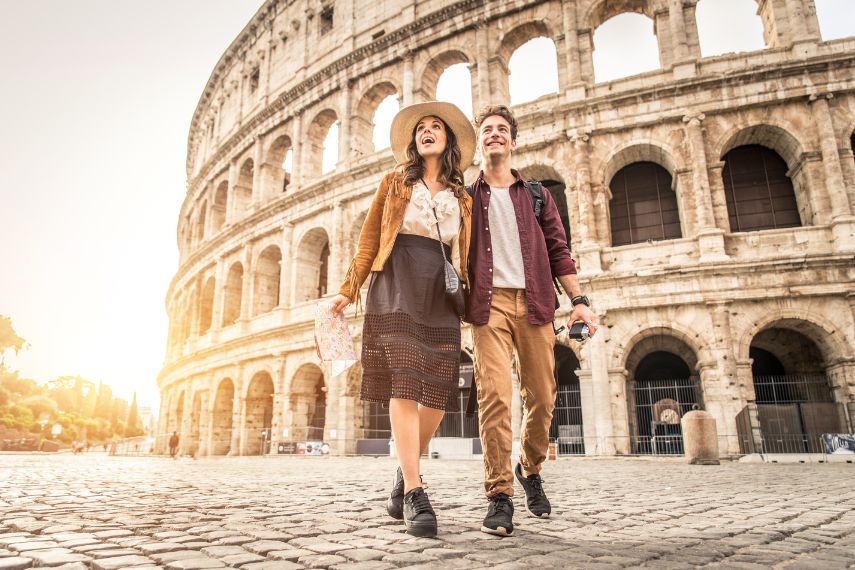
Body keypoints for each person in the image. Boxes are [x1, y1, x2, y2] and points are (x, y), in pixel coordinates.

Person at [330, 101, 475, 538]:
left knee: (438, 389)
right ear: (413, 142)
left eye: (436, 127)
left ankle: (402, 471)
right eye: (421, 129)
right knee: (405, 382)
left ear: (448, 140)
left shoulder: (462, 196)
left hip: (440, 285)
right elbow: (369, 238)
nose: (427, 132)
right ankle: (415, 490)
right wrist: (346, 290)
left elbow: (468, 252)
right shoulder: (394, 182)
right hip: (395, 278)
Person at [466, 105, 598, 536]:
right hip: (489, 305)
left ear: (514, 142)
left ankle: (530, 468)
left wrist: (578, 299)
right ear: (478, 142)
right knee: (495, 396)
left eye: (502, 130)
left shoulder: (537, 195)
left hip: (538, 301)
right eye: (487, 130)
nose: (495, 135)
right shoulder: (466, 198)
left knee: (542, 396)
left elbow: (560, 250)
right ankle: (499, 495)